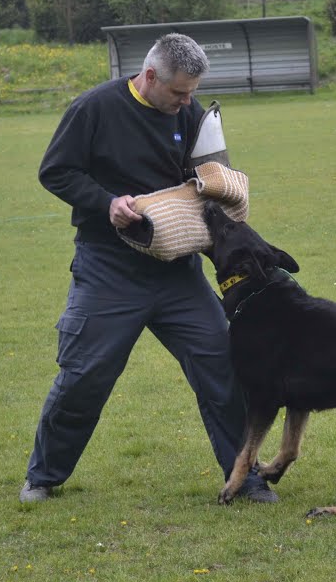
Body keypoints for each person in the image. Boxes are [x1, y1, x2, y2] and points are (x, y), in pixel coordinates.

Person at [19, 33, 278, 505]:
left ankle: (246, 478)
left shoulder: (191, 114)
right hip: (108, 267)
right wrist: (107, 203)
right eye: (179, 93)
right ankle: (44, 476)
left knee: (223, 364)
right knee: (85, 373)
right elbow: (56, 171)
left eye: (193, 93)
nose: (186, 103)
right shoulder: (95, 108)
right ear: (150, 76)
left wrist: (219, 187)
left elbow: (212, 173)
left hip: (176, 271)